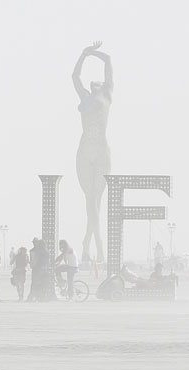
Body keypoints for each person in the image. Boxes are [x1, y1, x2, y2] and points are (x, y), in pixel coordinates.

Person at [73, 41, 113, 263]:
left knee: (96, 199)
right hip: (85, 149)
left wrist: (92, 52)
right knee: (91, 199)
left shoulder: (106, 95)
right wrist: (82, 55)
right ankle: (95, 247)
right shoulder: (85, 98)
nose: (94, 84)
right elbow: (74, 77)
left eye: (98, 83)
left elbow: (108, 61)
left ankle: (90, 245)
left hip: (101, 149)